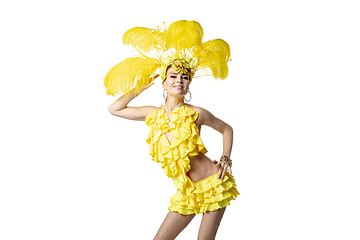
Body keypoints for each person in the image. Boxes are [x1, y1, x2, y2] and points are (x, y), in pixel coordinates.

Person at [105, 20, 239, 240]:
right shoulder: (152, 115)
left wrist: (226, 158)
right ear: (164, 83)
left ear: (188, 86)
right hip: (186, 192)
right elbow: (115, 109)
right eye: (173, 76)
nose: (179, 80)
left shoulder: (196, 113)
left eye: (185, 78)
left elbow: (227, 129)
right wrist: (140, 87)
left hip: (214, 183)